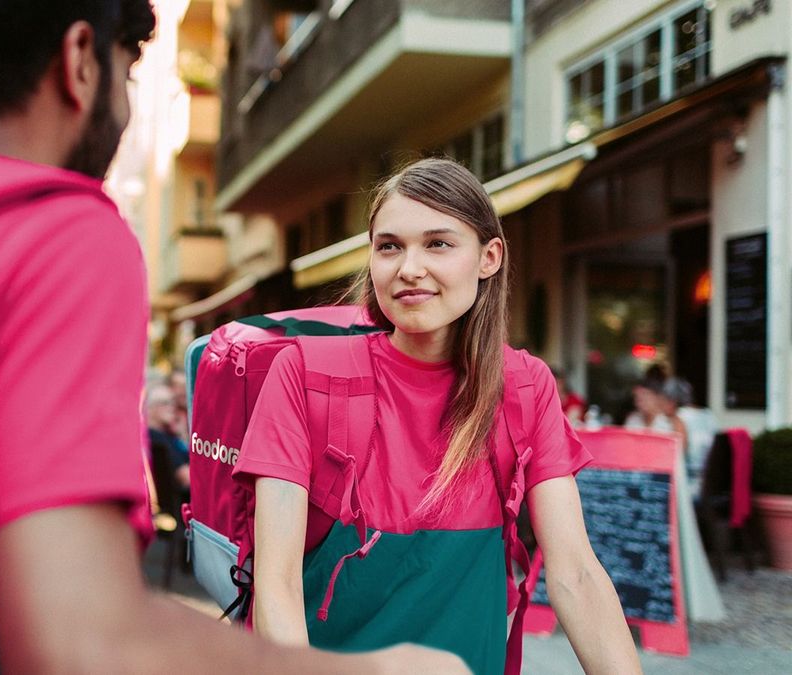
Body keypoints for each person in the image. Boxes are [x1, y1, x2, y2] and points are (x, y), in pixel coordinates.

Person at [0, 1, 468, 672]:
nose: (124, 106)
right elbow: (81, 639)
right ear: (79, 62)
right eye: (127, 72)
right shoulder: (56, 235)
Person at [236, 158, 642, 674]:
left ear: (489, 256)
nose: (408, 268)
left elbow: (576, 574)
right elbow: (278, 584)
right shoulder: (304, 372)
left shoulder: (525, 386)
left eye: (438, 243)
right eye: (389, 246)